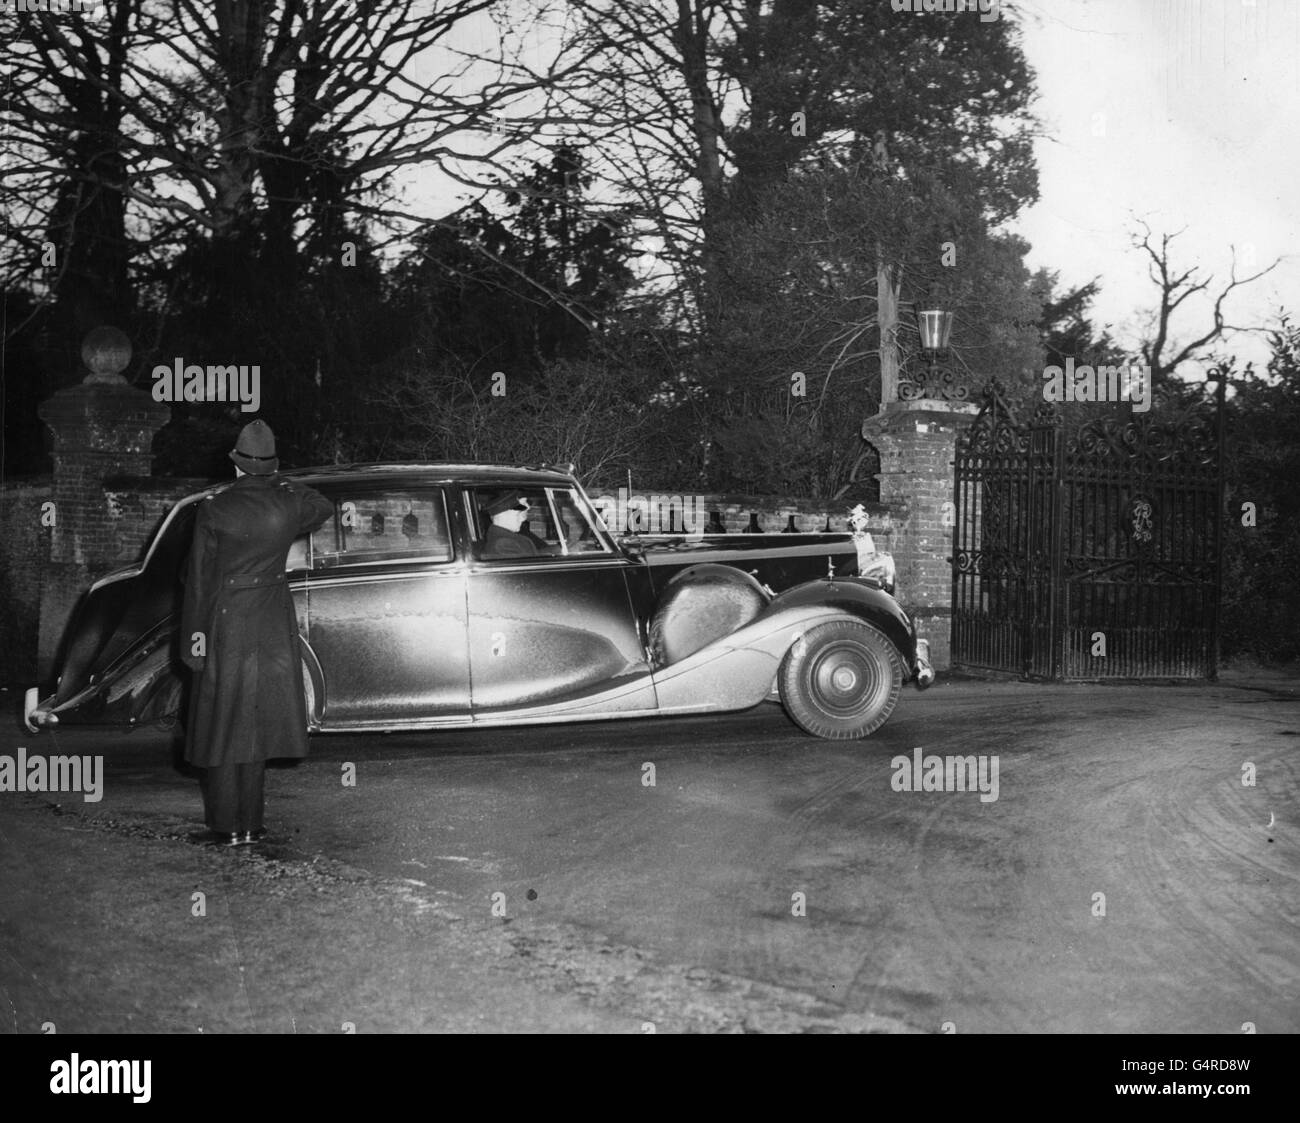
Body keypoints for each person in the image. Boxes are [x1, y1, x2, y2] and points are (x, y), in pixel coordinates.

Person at [180, 420, 334, 847]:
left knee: (224, 723)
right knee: (256, 722)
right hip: (271, 620)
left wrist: (194, 644)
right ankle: (251, 824)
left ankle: (227, 828)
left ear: (235, 466)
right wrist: (279, 481)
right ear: (270, 466)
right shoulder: (288, 506)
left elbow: (198, 581)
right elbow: (320, 505)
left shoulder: (215, 508)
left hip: (226, 621)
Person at [481, 490, 539, 557]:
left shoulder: (505, 539)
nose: (523, 519)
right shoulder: (503, 545)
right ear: (502, 515)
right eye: (519, 514)